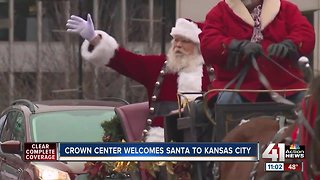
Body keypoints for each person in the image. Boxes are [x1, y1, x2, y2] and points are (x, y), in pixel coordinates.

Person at [66, 15, 211, 142]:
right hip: (161, 147)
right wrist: (94, 39)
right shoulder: (158, 67)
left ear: (198, 46)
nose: (178, 45)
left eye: (185, 41)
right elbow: (123, 60)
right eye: (176, 40)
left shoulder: (213, 73)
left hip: (205, 147)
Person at [200, 0, 315, 106]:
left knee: (310, 104)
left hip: (287, 87)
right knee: (227, 102)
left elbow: (305, 32)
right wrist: (235, 46)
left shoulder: (287, 9)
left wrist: (290, 45)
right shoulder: (219, 12)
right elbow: (208, 43)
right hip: (238, 88)